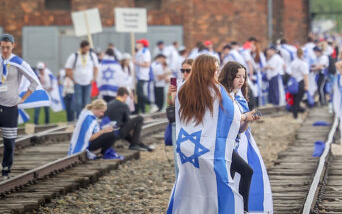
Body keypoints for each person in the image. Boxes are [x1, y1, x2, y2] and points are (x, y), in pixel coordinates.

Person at [166, 55, 252, 213]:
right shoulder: (217, 91)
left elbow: (177, 113)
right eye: (216, 69)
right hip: (209, 149)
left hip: (187, 147)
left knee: (190, 184)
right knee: (212, 185)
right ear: (208, 70)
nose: (217, 73)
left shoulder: (183, 88)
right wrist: (246, 117)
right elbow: (232, 117)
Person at [0, 33, 46, 181]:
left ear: (13, 46)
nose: (5, 50)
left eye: (8, 47)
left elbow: (34, 81)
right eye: (3, 47)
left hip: (10, 108)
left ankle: (6, 170)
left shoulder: (18, 62)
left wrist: (23, 99)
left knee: (9, 143)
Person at [220, 61, 270, 214]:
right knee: (247, 171)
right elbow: (226, 120)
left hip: (231, 144)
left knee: (231, 178)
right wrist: (242, 117)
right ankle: (243, 210)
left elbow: (239, 130)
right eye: (237, 76)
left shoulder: (235, 96)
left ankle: (233, 209)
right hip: (222, 144)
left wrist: (247, 120)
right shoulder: (223, 95)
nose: (241, 80)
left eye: (243, 76)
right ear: (229, 77)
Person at [105, 86, 151, 151]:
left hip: (106, 133)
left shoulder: (108, 104)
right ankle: (134, 145)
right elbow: (127, 122)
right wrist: (133, 129)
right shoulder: (124, 105)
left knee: (122, 127)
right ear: (125, 95)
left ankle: (140, 145)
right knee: (140, 118)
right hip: (116, 133)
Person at [65, 40, 99, 119]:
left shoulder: (92, 55)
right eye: (85, 49)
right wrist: (73, 79)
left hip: (88, 82)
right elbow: (67, 68)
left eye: (88, 49)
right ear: (81, 48)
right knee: (79, 102)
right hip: (78, 82)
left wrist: (94, 78)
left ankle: (86, 118)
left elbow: (96, 68)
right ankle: (79, 118)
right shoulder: (75, 56)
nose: (87, 51)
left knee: (87, 102)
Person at [287, 47, 310, 120]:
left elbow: (290, 72)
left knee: (294, 100)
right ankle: (296, 116)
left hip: (293, 83)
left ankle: (295, 116)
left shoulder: (293, 62)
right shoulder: (303, 63)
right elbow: (305, 75)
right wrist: (307, 85)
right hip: (300, 83)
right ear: (302, 54)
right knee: (298, 100)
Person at [133, 39, 152, 114]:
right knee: (139, 95)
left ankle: (151, 103)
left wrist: (136, 62)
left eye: (138, 43)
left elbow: (147, 64)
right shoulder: (139, 52)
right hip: (138, 76)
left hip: (142, 76)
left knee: (140, 93)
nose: (137, 44)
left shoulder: (145, 52)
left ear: (142, 44)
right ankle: (142, 111)